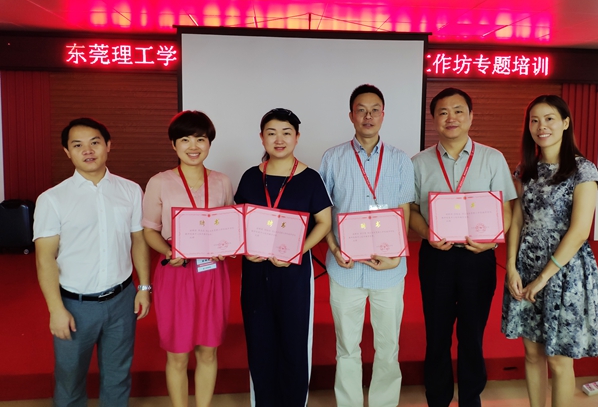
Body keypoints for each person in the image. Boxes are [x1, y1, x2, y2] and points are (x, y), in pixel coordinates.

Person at [409, 87, 517, 407]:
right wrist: (427, 233)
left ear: (471, 116)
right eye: (443, 112)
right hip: (436, 257)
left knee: (472, 334)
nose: (451, 118)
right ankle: (438, 399)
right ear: (434, 119)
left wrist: (492, 240)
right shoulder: (418, 163)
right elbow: (411, 210)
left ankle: (471, 399)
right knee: (437, 334)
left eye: (458, 111)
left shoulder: (492, 158)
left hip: (477, 258)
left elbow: (507, 210)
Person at [34, 118, 151, 407]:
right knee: (70, 378)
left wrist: (144, 287)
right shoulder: (52, 199)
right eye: (78, 145)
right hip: (75, 305)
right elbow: (45, 258)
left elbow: (138, 240)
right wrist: (56, 309)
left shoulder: (130, 190)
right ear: (67, 152)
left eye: (95, 142)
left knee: (118, 375)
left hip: (122, 300)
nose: (88, 150)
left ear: (108, 146)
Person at [502, 95, 598, 407]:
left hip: (564, 271)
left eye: (549, 119)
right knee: (532, 353)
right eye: (534, 120)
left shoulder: (583, 170)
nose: (541, 126)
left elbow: (579, 231)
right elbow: (517, 220)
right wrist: (511, 266)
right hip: (527, 264)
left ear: (565, 123)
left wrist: (543, 278)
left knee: (559, 359)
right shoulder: (525, 169)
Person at [319, 84, 415, 407]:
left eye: (375, 110)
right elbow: (323, 213)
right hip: (345, 269)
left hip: (389, 270)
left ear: (383, 115)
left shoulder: (400, 160)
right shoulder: (332, 158)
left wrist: (397, 254)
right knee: (347, 347)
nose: (368, 116)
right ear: (351, 115)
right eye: (361, 110)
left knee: (388, 346)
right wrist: (334, 249)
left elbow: (404, 210)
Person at [234, 108, 332, 406]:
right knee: (260, 343)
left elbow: (324, 222)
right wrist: (245, 248)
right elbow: (238, 221)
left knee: (294, 345)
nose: (279, 139)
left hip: (294, 275)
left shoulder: (310, 178)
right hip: (255, 274)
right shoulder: (251, 177)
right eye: (272, 133)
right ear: (262, 137)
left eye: (286, 133)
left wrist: (297, 250)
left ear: (297, 137)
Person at [142, 111, 232, 407]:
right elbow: (150, 230)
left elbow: (229, 226)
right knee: (178, 354)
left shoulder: (221, 181)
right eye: (185, 139)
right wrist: (168, 252)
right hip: (175, 272)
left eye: (200, 139)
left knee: (208, 350)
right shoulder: (160, 182)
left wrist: (226, 246)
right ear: (173, 144)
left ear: (209, 143)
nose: (193, 146)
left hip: (212, 273)